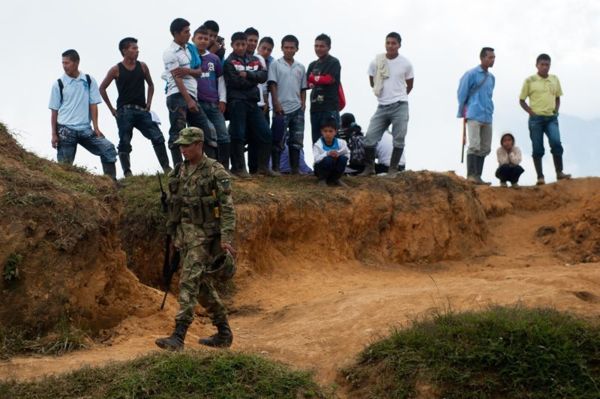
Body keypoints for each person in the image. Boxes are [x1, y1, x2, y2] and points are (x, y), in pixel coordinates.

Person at [155, 127, 236, 351]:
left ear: (199, 144)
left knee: (188, 280)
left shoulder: (215, 171)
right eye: (181, 145)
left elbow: (227, 208)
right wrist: (172, 234)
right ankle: (224, 332)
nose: (183, 149)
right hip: (185, 236)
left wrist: (226, 238)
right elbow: (174, 206)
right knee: (200, 285)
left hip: (206, 236)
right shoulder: (178, 171)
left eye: (187, 145)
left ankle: (178, 336)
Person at [99, 37, 171, 177]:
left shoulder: (142, 66)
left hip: (141, 110)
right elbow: (102, 88)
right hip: (124, 111)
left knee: (157, 136)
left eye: (137, 48)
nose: (137, 51)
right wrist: (112, 109)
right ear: (124, 51)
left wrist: (149, 102)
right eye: (134, 48)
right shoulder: (116, 69)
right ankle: (127, 172)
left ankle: (166, 168)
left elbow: (150, 84)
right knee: (125, 141)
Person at [49, 49, 117, 180]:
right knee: (64, 167)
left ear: (76, 63)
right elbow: (54, 111)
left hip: (85, 129)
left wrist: (96, 127)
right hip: (65, 129)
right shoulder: (59, 84)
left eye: (67, 63)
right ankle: (65, 191)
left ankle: (112, 183)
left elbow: (93, 105)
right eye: (63, 63)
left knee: (108, 149)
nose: (64, 66)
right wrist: (54, 134)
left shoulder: (88, 80)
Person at [162, 18, 216, 166]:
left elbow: (198, 72)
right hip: (177, 96)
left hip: (192, 95)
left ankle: (208, 166)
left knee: (204, 131)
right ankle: (178, 168)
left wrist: (187, 70)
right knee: (178, 132)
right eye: (186, 32)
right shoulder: (170, 52)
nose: (188, 34)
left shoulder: (190, 49)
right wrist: (189, 100)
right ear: (176, 33)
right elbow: (177, 78)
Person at [359, 32, 414, 178]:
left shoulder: (406, 63)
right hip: (382, 106)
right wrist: (381, 91)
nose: (390, 46)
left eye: (393, 43)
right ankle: (369, 168)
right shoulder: (376, 62)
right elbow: (372, 80)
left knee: (399, 137)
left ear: (399, 45)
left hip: (400, 105)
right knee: (370, 137)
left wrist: (399, 96)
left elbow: (410, 85)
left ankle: (393, 169)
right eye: (388, 43)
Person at [224, 31, 277, 177]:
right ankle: (238, 168)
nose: (241, 47)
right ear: (232, 45)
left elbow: (263, 76)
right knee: (238, 134)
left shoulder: (255, 59)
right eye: (238, 45)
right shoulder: (229, 62)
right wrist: (253, 80)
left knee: (265, 133)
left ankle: (263, 167)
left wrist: (248, 75)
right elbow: (235, 82)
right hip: (237, 102)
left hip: (253, 102)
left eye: (243, 44)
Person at [519, 53, 571, 185]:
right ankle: (540, 177)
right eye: (542, 64)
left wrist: (556, 110)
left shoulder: (554, 79)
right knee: (537, 148)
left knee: (556, 143)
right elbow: (522, 100)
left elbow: (558, 97)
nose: (544, 67)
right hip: (536, 119)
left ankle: (559, 173)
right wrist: (531, 113)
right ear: (536, 65)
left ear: (550, 66)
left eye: (547, 65)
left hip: (551, 118)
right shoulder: (529, 80)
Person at [268, 34, 307, 175]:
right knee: (278, 138)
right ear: (282, 48)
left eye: (292, 48)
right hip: (281, 107)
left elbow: (303, 87)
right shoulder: (276, 64)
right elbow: (272, 85)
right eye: (286, 47)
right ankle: (276, 168)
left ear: (297, 49)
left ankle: (295, 169)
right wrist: (276, 103)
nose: (289, 50)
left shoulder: (301, 67)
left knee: (297, 140)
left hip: (297, 108)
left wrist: (303, 103)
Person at [192, 26, 230, 169]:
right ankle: (207, 169)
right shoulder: (190, 57)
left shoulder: (214, 58)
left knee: (223, 135)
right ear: (193, 39)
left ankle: (223, 169)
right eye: (200, 38)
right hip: (197, 103)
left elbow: (220, 80)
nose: (203, 41)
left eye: (206, 38)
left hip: (214, 103)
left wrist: (222, 100)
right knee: (204, 136)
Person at [457, 47, 496, 185]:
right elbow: (461, 93)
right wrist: (462, 112)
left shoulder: (492, 78)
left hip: (487, 115)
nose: (492, 60)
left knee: (486, 147)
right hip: (473, 113)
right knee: (474, 145)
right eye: (490, 57)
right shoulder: (471, 74)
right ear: (482, 58)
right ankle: (471, 175)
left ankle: (478, 176)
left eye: (493, 57)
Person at [307, 33, 342, 144]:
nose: (318, 48)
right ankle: (318, 161)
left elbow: (329, 79)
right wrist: (315, 79)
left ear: (328, 47)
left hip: (329, 107)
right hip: (315, 108)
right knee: (317, 142)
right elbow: (307, 83)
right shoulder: (312, 65)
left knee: (331, 141)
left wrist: (314, 78)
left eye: (322, 46)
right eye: (316, 46)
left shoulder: (333, 62)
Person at [313, 118, 349, 186]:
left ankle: (336, 178)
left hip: (334, 167)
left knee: (343, 159)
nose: (328, 133)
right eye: (325, 131)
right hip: (321, 169)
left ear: (335, 132)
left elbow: (347, 154)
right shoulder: (318, 144)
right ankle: (322, 179)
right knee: (328, 159)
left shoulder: (341, 143)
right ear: (321, 132)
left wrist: (338, 154)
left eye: (330, 131)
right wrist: (327, 153)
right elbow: (316, 159)